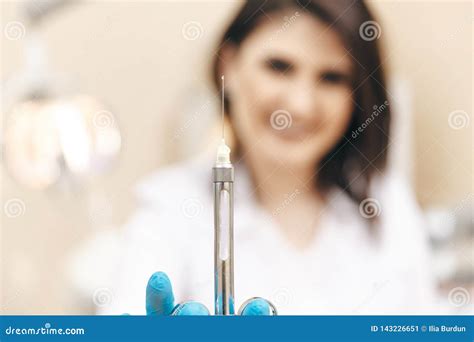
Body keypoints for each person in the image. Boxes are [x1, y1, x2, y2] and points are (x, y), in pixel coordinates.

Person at [99, 0, 436, 315]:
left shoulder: (386, 203)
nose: (301, 105)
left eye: (332, 78)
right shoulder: (170, 208)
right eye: (279, 67)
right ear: (228, 65)